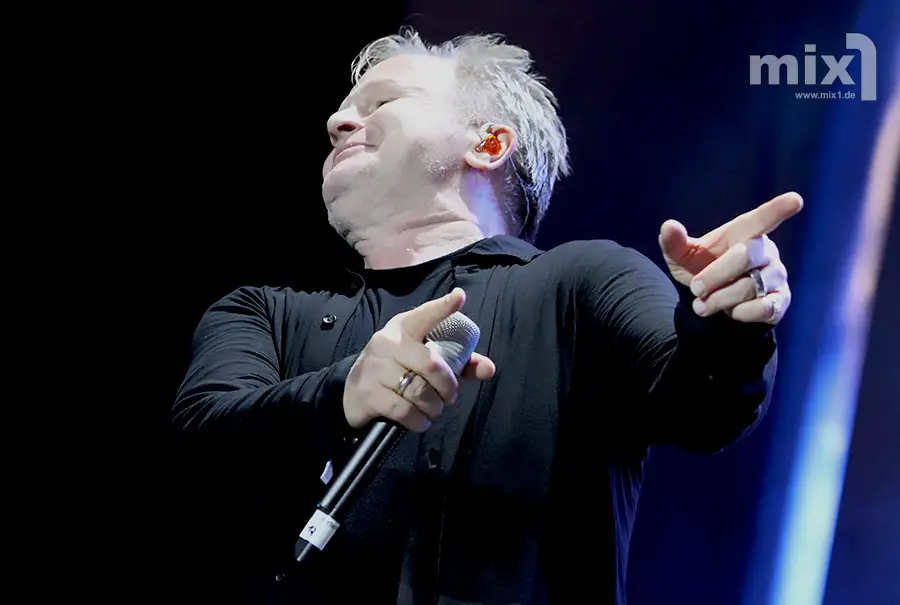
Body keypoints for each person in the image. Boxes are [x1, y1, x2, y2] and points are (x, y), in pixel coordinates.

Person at [171, 27, 801, 604]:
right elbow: (198, 451)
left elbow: (702, 409)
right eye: (341, 112)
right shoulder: (264, 313)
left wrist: (726, 325)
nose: (337, 121)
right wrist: (343, 393)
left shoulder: (583, 282)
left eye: (381, 102)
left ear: (489, 143)